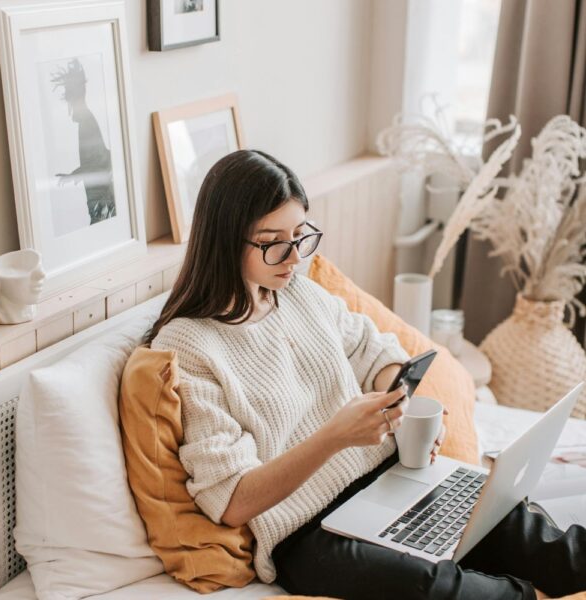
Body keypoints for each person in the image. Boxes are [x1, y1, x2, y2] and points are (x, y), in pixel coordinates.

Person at [147, 149, 585, 600]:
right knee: (448, 591)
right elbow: (233, 501)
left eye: (301, 235)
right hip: (309, 534)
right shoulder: (188, 346)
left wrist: (401, 404)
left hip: (388, 479)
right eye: (273, 241)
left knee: (527, 533)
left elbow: (376, 353)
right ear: (224, 240)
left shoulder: (298, 291)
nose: (294, 256)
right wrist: (335, 436)